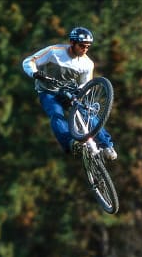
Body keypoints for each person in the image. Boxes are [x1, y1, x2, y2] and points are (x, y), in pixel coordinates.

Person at [22, 26, 117, 160]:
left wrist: (79, 93)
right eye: (81, 45)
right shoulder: (54, 52)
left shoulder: (87, 63)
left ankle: (107, 146)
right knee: (56, 115)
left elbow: (86, 85)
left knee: (87, 113)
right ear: (72, 42)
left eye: (88, 47)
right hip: (48, 91)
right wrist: (34, 73)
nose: (85, 49)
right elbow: (28, 61)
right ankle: (71, 143)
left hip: (68, 90)